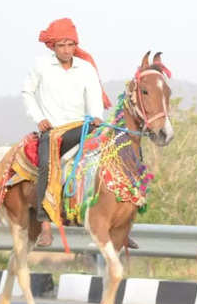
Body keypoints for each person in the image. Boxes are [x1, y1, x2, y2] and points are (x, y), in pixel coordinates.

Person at [22, 18, 127, 247]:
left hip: (84, 127)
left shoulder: (86, 68)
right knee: (47, 166)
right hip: (53, 131)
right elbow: (27, 93)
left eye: (71, 45)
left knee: (115, 157)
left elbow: (94, 97)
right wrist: (39, 118)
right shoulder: (41, 66)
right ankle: (45, 225)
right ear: (53, 46)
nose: (67, 50)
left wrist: (97, 116)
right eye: (61, 45)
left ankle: (120, 222)